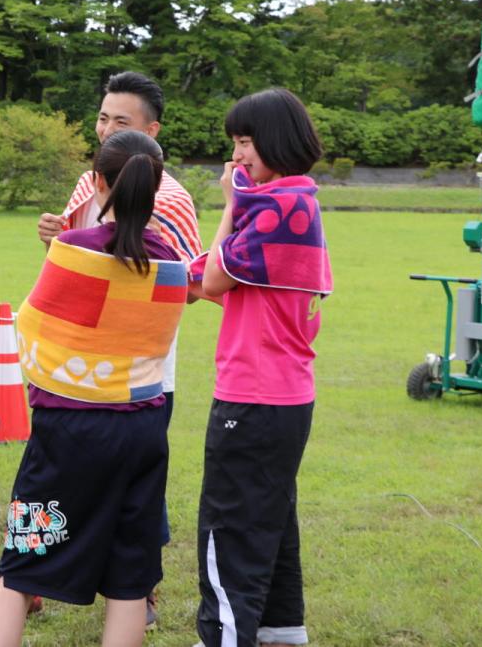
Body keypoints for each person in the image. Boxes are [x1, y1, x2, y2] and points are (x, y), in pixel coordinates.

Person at [0, 131, 188, 647]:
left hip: (68, 434)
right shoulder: (173, 267)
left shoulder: (71, 250)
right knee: (130, 580)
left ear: (97, 183)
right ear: (155, 188)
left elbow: (31, 330)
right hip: (142, 431)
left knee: (22, 565)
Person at [36, 70, 202, 625]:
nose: (106, 128)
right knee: (54, 477)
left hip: (141, 374)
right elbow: (74, 254)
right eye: (103, 117)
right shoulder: (89, 182)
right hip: (73, 368)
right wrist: (55, 237)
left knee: (135, 493)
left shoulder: (173, 200)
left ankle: (139, 589)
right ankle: (33, 574)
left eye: (120, 121)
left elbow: (190, 287)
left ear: (151, 131)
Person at [194, 89, 331, 647]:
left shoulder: (280, 207)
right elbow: (213, 282)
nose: (237, 157)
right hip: (281, 398)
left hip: (254, 399)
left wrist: (230, 202)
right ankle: (281, 635)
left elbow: (210, 279)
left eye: (244, 142)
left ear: (273, 140)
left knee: (229, 537)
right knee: (271, 527)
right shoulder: (291, 204)